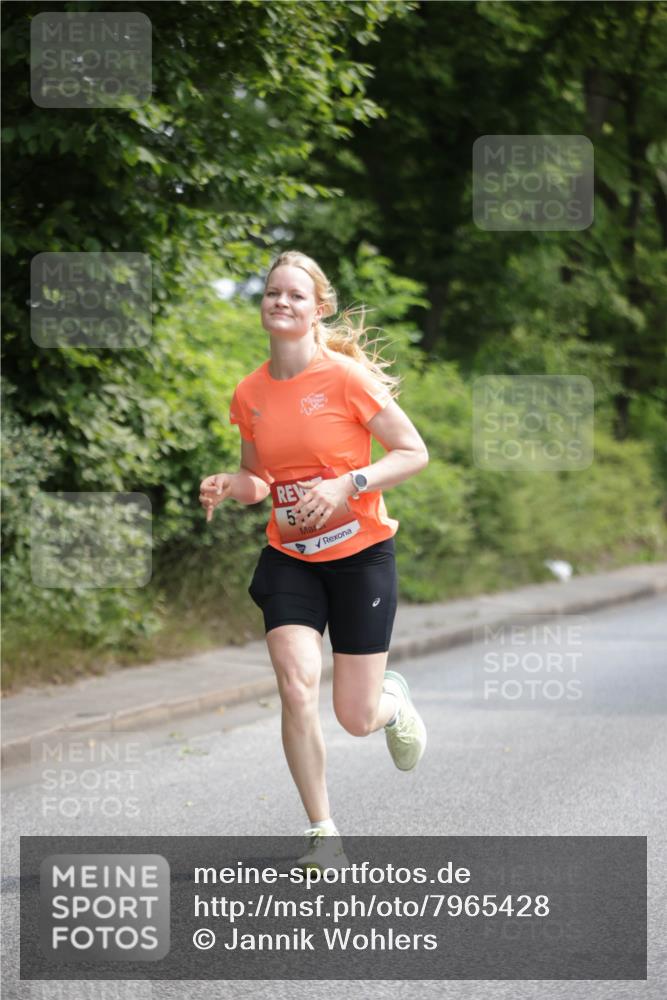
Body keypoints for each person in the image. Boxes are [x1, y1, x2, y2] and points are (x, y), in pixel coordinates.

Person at [199, 250, 429, 869]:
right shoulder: (249, 393)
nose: (281, 302)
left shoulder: (347, 379)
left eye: (295, 295)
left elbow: (412, 453)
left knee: (355, 716)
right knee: (297, 684)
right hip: (291, 558)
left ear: (317, 308)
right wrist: (231, 483)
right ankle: (322, 832)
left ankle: (393, 703)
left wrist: (349, 484)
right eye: (272, 292)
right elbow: (258, 477)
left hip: (361, 557)